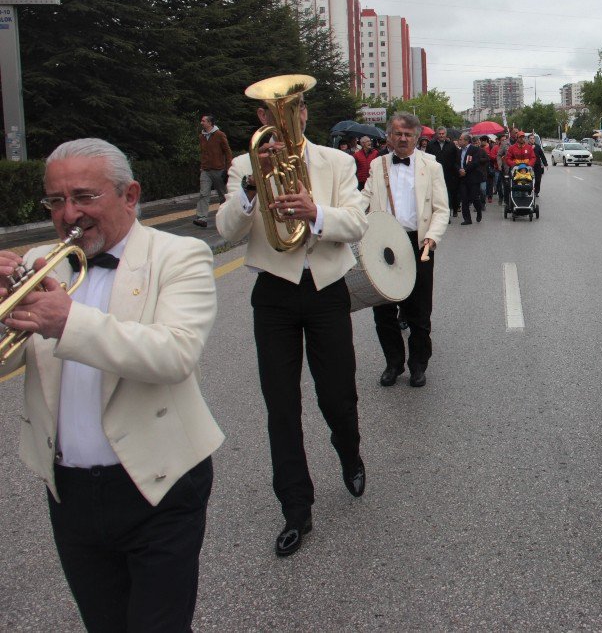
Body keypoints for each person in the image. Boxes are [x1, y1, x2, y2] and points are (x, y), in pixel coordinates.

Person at [0, 138, 224, 631]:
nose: (69, 214)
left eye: (84, 197)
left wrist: (67, 322)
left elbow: (174, 353)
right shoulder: (38, 260)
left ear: (130, 195)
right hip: (70, 491)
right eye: (56, 201)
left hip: (160, 484)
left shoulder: (179, 255)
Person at [217, 95, 369, 558]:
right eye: (274, 111)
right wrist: (248, 187)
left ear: (305, 112)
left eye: (297, 108)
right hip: (275, 294)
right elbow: (227, 230)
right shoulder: (245, 163)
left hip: (326, 290)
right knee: (281, 405)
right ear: (263, 119)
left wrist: (315, 213)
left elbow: (357, 221)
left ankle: (349, 451)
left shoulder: (337, 161)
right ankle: (295, 509)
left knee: (337, 394)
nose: (288, 117)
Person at [362, 112, 449, 387]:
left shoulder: (431, 166)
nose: (402, 138)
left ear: (416, 138)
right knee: (383, 311)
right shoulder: (377, 166)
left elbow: (441, 209)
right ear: (389, 136)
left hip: (418, 243)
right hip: (382, 244)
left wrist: (432, 238)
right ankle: (393, 363)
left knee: (419, 312)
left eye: (408, 134)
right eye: (398, 133)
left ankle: (418, 364)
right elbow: (362, 201)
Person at [195, 113, 233, 227]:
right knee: (203, 193)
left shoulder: (220, 135)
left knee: (223, 195)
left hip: (219, 169)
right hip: (205, 170)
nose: (201, 123)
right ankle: (202, 218)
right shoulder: (201, 136)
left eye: (203, 121)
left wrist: (228, 168)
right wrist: (202, 165)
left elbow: (228, 152)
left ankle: (227, 217)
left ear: (210, 123)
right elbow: (203, 153)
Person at [425, 126, 461, 218]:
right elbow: (426, 158)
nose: (441, 135)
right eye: (439, 134)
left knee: (449, 193)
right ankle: (438, 213)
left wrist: (458, 170)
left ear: (446, 134)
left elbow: (456, 159)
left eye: (443, 134)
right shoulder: (431, 144)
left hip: (449, 173)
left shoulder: (451, 145)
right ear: (437, 134)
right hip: (435, 173)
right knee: (437, 194)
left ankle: (449, 212)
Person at [456, 133, 488, 225]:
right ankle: (467, 219)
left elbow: (475, 162)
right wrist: (459, 169)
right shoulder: (459, 151)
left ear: (466, 141)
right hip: (462, 178)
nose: (459, 141)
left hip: (473, 177)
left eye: (461, 139)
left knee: (474, 197)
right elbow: (456, 162)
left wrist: (465, 170)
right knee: (464, 199)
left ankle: (479, 210)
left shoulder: (475, 150)